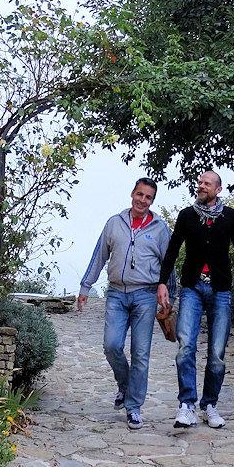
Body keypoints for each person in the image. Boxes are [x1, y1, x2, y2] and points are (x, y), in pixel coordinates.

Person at [157, 170, 234, 429]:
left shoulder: (230, 217)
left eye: (207, 183)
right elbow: (172, 251)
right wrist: (163, 282)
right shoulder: (187, 216)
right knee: (185, 346)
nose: (201, 186)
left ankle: (209, 405)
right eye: (200, 182)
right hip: (192, 288)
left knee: (217, 353)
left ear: (218, 190)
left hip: (221, 290)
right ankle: (187, 405)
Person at [78, 177, 176, 430]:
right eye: (139, 194)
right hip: (117, 294)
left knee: (141, 354)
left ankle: (134, 408)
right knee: (111, 345)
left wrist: (170, 298)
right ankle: (125, 386)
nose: (142, 200)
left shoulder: (160, 229)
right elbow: (99, 255)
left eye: (148, 197)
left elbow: (168, 264)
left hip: (146, 295)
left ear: (152, 201)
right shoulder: (114, 223)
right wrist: (85, 286)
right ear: (132, 194)